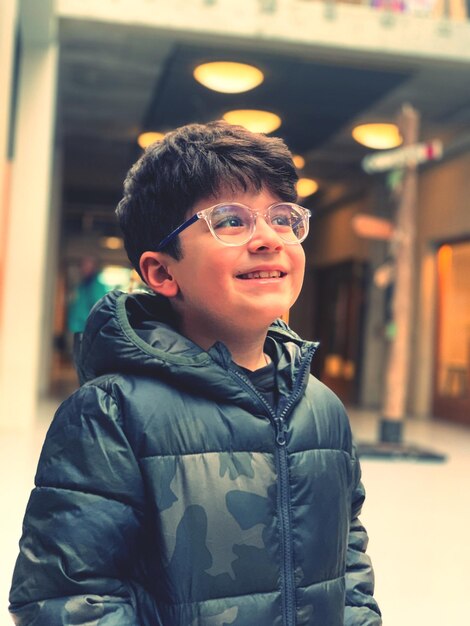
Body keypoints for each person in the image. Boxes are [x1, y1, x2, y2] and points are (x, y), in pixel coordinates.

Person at [9, 121, 381, 626]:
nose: (269, 238)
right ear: (163, 272)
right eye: (230, 221)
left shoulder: (320, 405)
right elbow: (66, 601)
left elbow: (348, 558)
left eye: (283, 218)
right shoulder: (113, 413)